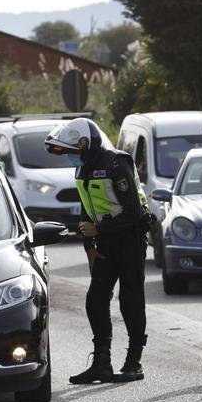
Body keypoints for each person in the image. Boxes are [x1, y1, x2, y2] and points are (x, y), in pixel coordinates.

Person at [44, 118, 148, 384]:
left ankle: (133, 362)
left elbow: (134, 213)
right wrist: (89, 246)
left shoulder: (117, 163)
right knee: (95, 301)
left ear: (87, 145)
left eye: (73, 152)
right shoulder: (84, 169)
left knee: (130, 300)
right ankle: (102, 362)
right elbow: (85, 212)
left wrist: (98, 231)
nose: (70, 158)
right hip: (104, 242)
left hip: (130, 238)